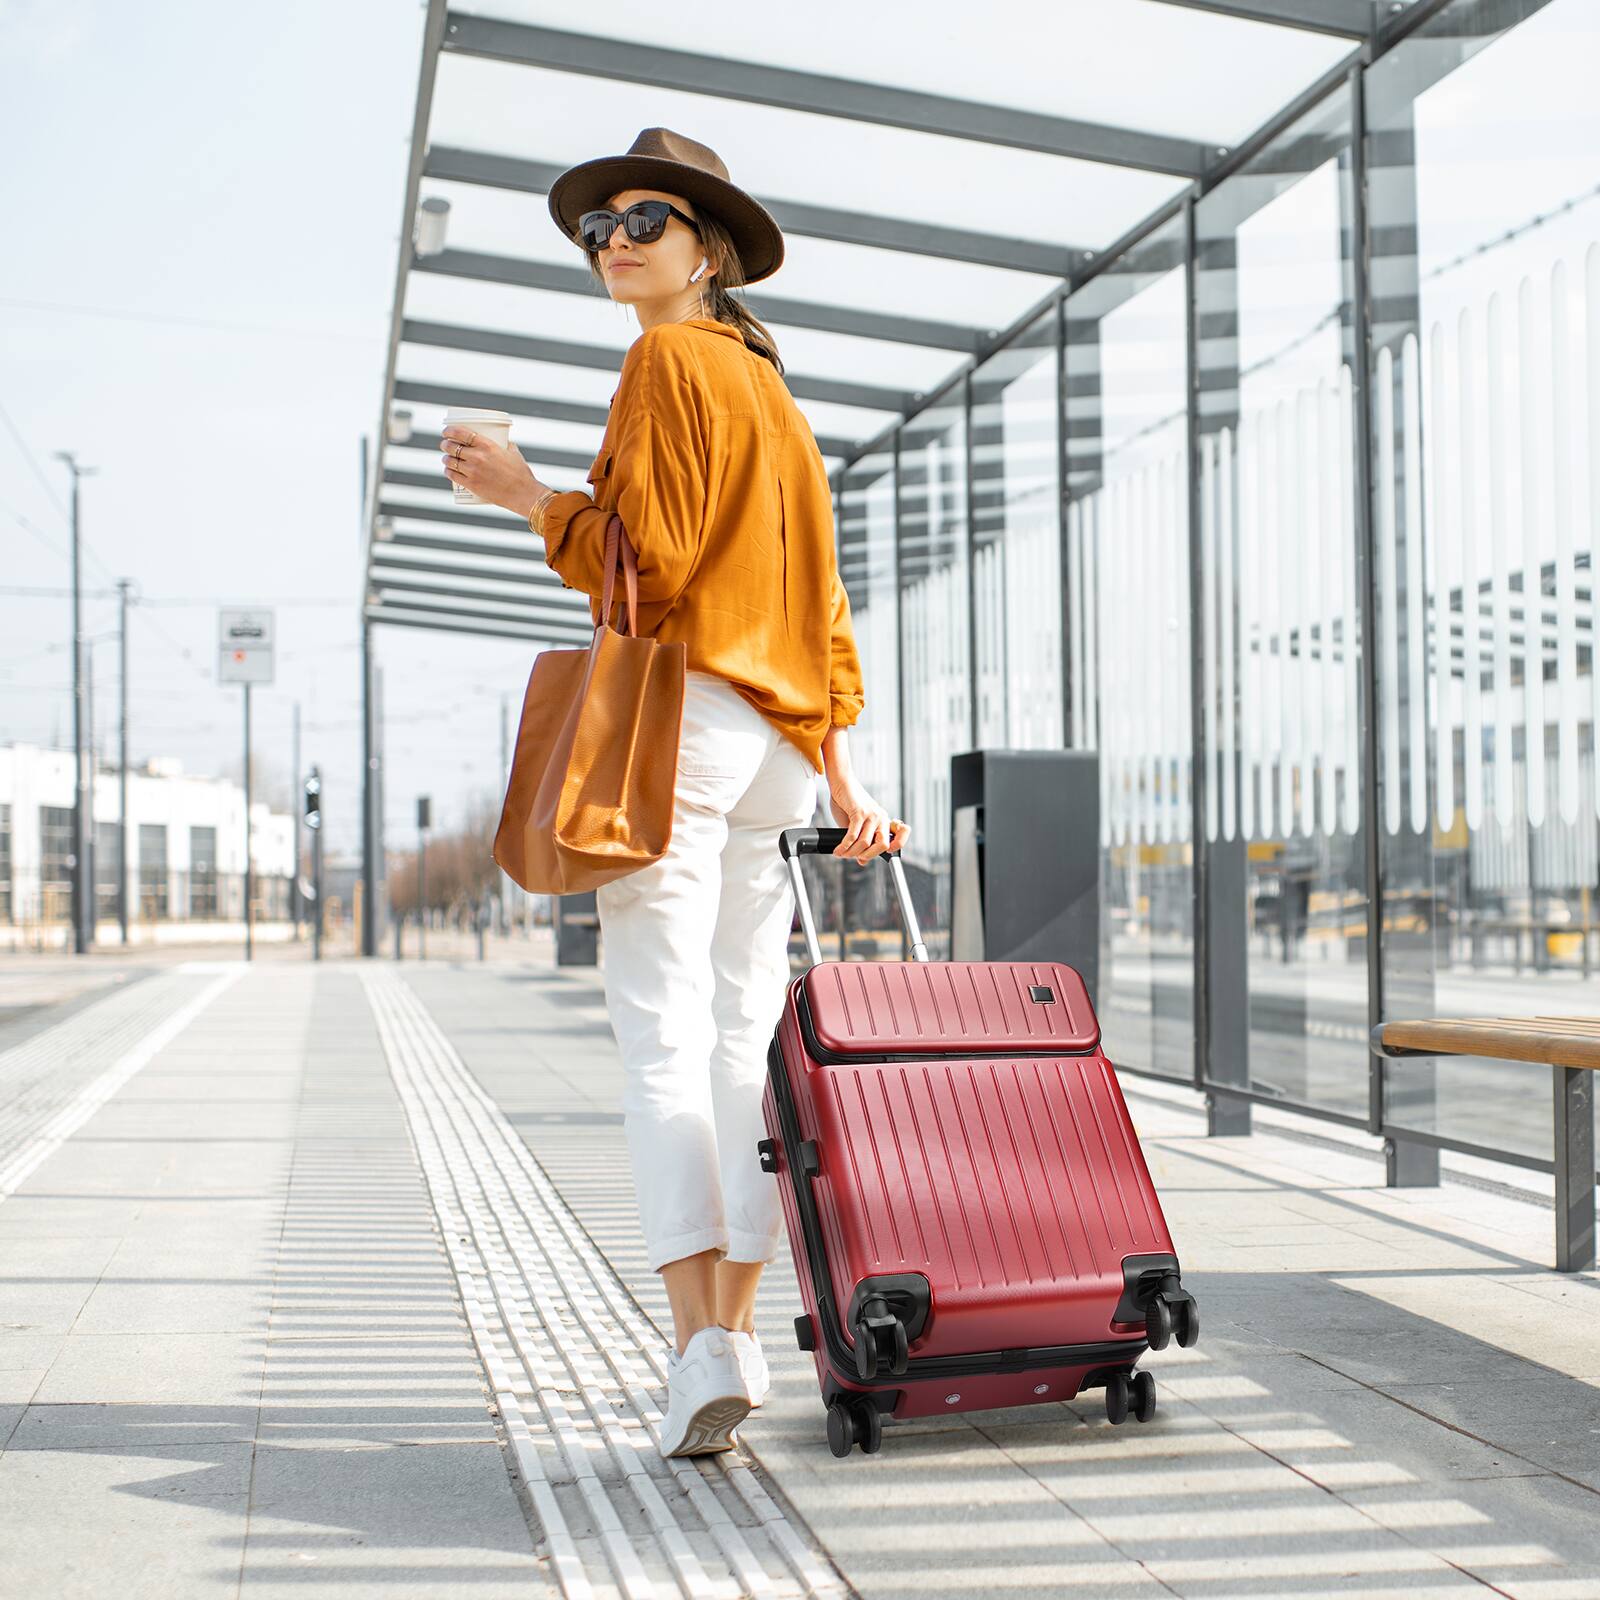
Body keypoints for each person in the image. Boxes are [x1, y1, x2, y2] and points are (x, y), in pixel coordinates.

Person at [439, 127, 910, 1458]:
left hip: (689, 719)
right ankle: (740, 1338)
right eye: (600, 231)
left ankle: (697, 1347)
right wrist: (840, 766)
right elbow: (822, 608)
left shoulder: (666, 362)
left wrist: (531, 495)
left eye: (644, 220)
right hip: (772, 743)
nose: (616, 243)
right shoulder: (780, 404)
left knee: (659, 1033)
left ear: (708, 251)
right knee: (738, 1037)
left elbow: (641, 569)